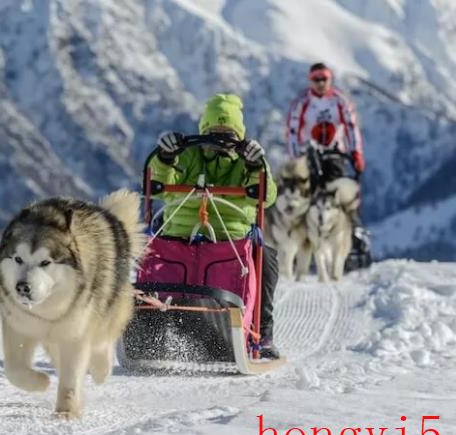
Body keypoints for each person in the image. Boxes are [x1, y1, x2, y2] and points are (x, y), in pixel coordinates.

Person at [151, 94, 281, 359]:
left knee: (265, 258)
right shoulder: (187, 155)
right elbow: (158, 186)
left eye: (227, 133)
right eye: (214, 133)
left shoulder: (246, 161)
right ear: (203, 131)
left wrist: (257, 165)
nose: (219, 140)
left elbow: (266, 197)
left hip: (230, 240)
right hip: (180, 236)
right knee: (145, 254)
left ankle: (261, 332)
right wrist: (165, 157)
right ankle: (147, 324)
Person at [287, 62, 369, 251]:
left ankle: (353, 229)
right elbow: (292, 132)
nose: (320, 83)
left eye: (324, 79)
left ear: (329, 79)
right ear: (310, 81)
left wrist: (356, 152)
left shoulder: (340, 101)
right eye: (316, 79)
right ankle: (300, 235)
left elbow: (351, 127)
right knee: (305, 194)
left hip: (335, 154)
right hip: (308, 155)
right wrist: (294, 158)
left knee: (339, 191)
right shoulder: (301, 104)